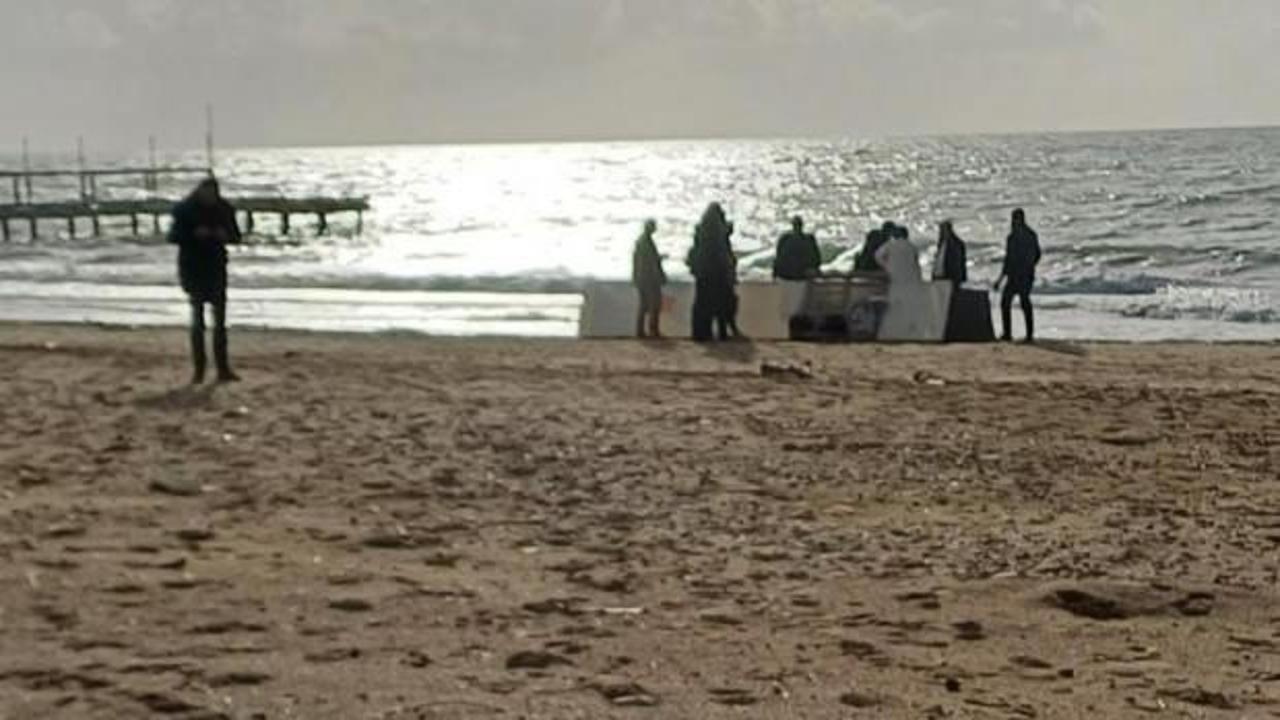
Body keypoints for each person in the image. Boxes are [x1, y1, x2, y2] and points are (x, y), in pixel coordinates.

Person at [169, 177, 241, 383]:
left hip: (216, 268)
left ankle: (223, 369)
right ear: (199, 192)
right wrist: (194, 234)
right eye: (206, 193)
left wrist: (223, 234)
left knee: (220, 322)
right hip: (194, 268)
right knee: (198, 321)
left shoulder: (224, 209)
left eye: (213, 193)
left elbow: (236, 236)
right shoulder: (185, 210)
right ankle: (199, 370)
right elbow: (173, 236)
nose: (210, 197)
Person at [687, 203, 734, 342]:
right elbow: (723, 253)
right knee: (721, 304)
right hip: (718, 273)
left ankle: (701, 333)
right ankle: (721, 333)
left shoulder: (701, 232)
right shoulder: (719, 233)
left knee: (702, 304)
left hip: (703, 272)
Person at [994, 208, 1042, 342]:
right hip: (1018, 275)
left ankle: (1025, 334)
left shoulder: (1020, 236)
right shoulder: (1022, 236)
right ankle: (1010, 333)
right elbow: (1036, 255)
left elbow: (1036, 254)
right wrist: (1001, 279)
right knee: (1009, 302)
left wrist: (1028, 266)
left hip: (1021, 275)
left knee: (1022, 302)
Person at [631, 219, 666, 338]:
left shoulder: (642, 241)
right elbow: (651, 262)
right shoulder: (646, 242)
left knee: (644, 305)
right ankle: (653, 330)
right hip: (649, 278)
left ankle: (640, 331)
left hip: (642, 277)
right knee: (654, 304)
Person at [772, 216, 821, 281]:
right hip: (802, 274)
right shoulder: (809, 239)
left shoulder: (784, 238)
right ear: (802, 225)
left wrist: (775, 274)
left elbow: (777, 258)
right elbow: (817, 260)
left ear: (793, 225)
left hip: (786, 274)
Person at [932, 220, 968, 287]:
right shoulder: (942, 243)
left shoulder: (956, 244)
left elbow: (960, 263)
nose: (940, 232)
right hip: (940, 276)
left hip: (950, 276)